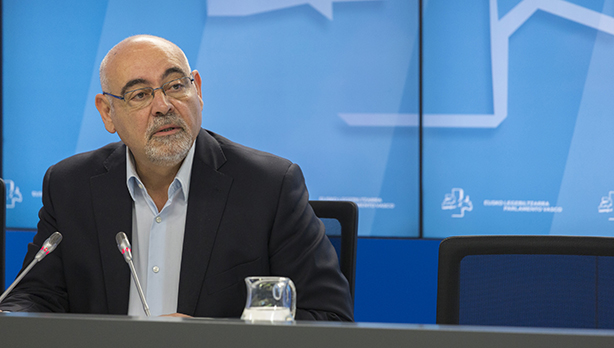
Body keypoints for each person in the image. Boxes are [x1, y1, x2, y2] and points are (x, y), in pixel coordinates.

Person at [0, 35, 353, 321]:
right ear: (108, 113)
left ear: (197, 89)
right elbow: (34, 296)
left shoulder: (269, 187)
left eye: (175, 86)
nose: (164, 105)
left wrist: (205, 339)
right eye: (140, 95)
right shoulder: (70, 186)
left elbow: (329, 316)